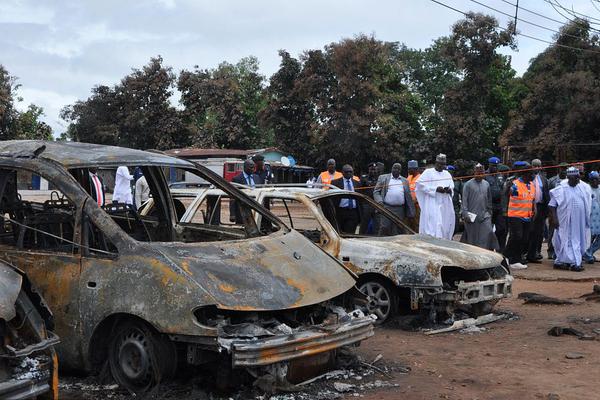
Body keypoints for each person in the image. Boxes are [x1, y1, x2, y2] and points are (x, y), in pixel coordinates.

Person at [548, 167, 592, 272]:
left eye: (578, 177)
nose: (578, 179)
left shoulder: (581, 188)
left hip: (578, 221)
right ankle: (573, 263)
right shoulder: (561, 188)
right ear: (568, 177)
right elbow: (552, 205)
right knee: (564, 240)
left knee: (577, 240)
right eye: (575, 177)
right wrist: (554, 219)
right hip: (564, 221)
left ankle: (563, 262)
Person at [503, 161, 535, 270]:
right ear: (526, 174)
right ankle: (505, 257)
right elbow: (508, 193)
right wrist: (508, 187)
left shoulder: (531, 185)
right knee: (516, 237)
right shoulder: (515, 184)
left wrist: (533, 211)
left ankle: (515, 260)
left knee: (524, 239)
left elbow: (532, 199)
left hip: (527, 216)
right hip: (515, 215)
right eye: (531, 174)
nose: (533, 176)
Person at [415, 154, 455, 240]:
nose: (441, 166)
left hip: (444, 203)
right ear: (436, 163)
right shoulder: (428, 172)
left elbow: (452, 186)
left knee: (444, 224)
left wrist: (449, 190)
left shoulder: (447, 174)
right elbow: (419, 184)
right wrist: (435, 189)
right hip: (432, 203)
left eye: (443, 164)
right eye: (440, 163)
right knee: (432, 224)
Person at [460, 164, 499, 250]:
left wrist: (489, 212)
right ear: (474, 173)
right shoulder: (468, 184)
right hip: (472, 215)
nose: (480, 174)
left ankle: (485, 253)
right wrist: (465, 213)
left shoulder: (486, 184)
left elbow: (489, 200)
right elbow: (464, 200)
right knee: (472, 238)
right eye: (478, 172)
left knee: (487, 232)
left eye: (482, 172)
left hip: (485, 215)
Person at [373, 163, 415, 235]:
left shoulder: (405, 181)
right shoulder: (383, 178)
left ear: (400, 171)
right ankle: (381, 243)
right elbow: (376, 192)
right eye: (394, 168)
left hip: (400, 209)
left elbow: (408, 196)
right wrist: (379, 201)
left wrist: (411, 211)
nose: (396, 170)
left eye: (398, 169)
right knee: (385, 227)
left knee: (398, 229)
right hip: (386, 207)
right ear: (391, 169)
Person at [527, 159, 550, 263]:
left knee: (539, 231)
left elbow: (546, 194)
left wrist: (547, 210)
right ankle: (528, 252)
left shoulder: (544, 179)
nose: (536, 168)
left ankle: (537, 252)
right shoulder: (528, 178)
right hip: (529, 207)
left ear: (541, 167)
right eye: (534, 166)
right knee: (530, 230)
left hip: (541, 207)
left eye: (538, 166)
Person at [331, 164, 362, 234]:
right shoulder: (335, 183)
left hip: (353, 212)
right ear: (342, 172)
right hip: (340, 212)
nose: (349, 173)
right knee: (338, 233)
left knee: (350, 234)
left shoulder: (357, 183)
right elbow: (331, 199)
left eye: (350, 172)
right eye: (347, 172)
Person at [485, 156, 507, 251]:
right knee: (488, 230)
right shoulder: (485, 176)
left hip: (499, 206)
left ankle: (500, 250)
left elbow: (503, 189)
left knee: (501, 229)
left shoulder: (501, 176)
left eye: (497, 166)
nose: (495, 167)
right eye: (493, 166)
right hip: (489, 206)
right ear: (489, 165)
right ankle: (488, 249)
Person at [547, 163, 568, 259]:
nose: (564, 170)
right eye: (562, 168)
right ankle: (551, 250)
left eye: (566, 168)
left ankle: (563, 251)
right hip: (554, 210)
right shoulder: (552, 181)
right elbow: (548, 196)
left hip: (566, 210)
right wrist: (550, 213)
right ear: (559, 169)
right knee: (552, 230)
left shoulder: (570, 180)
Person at [584, 171, 600, 263]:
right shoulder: (586, 189)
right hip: (589, 219)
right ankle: (587, 254)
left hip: (599, 220)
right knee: (588, 239)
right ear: (589, 180)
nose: (594, 181)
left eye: (596, 179)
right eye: (592, 179)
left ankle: (589, 253)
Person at [358, 162, 380, 233]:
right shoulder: (364, 178)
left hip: (377, 205)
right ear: (368, 170)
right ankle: (360, 238)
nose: (373, 171)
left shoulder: (380, 179)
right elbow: (359, 191)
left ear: (377, 170)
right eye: (371, 169)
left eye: (374, 169)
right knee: (364, 224)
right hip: (367, 204)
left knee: (377, 224)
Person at [407, 160, 421, 231]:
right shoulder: (409, 177)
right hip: (408, 206)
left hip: (417, 206)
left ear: (415, 169)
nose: (408, 170)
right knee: (408, 225)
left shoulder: (420, 178)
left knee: (416, 224)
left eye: (410, 169)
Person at [448, 165, 462, 234]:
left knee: (456, 226)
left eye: (450, 172)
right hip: (445, 206)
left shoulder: (457, 182)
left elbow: (462, 195)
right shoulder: (442, 181)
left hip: (455, 207)